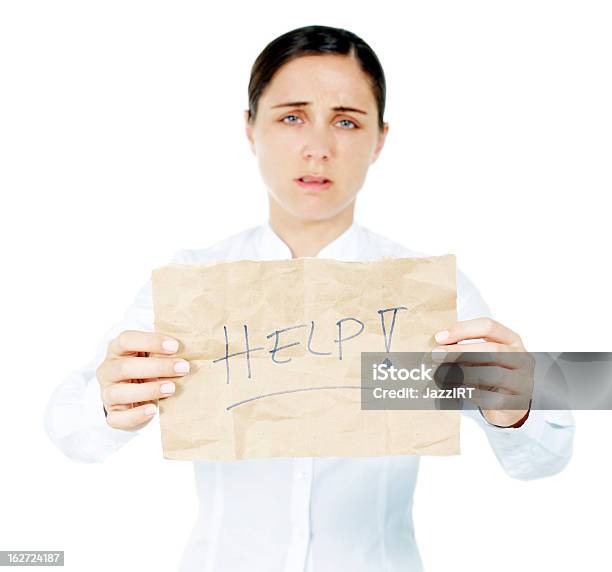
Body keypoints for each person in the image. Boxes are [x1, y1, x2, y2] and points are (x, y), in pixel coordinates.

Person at [44, 25, 575, 572]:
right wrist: (108, 404)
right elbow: (68, 428)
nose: (318, 148)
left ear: (380, 139)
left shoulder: (431, 293)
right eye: (291, 117)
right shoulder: (192, 281)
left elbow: (547, 457)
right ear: (251, 129)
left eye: (346, 121)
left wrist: (517, 409)